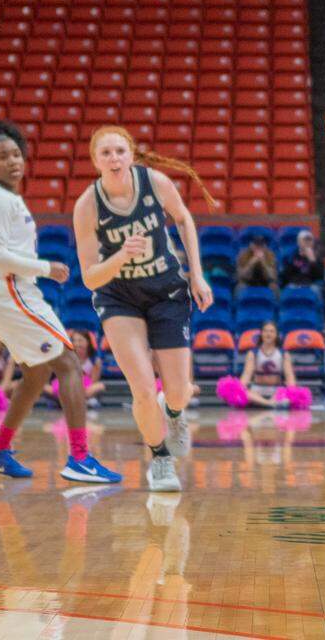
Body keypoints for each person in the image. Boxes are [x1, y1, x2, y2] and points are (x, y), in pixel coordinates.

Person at [71, 124, 215, 492]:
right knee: (142, 389)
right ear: (95, 161)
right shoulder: (88, 205)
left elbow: (183, 219)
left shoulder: (155, 182)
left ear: (131, 154)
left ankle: (176, 411)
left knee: (178, 390)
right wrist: (120, 255)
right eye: (106, 153)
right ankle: (161, 458)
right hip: (118, 296)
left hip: (166, 289)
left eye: (120, 151)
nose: (114, 158)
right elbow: (90, 278)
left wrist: (197, 275)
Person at [0, 120, 121, 483]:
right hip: (9, 290)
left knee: (38, 372)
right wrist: (45, 267)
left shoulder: (5, 196)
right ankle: (80, 458)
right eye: (3, 156)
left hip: (12, 292)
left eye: (16, 154)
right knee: (70, 363)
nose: (14, 161)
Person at [218, 321, 306, 408]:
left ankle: (266, 403)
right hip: (256, 391)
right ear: (261, 334)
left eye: (272, 331)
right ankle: (270, 404)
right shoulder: (253, 353)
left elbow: (289, 375)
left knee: (288, 396)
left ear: (276, 335)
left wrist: (292, 392)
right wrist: (239, 390)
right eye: (265, 331)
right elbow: (247, 374)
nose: (268, 334)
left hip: (276, 391)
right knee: (246, 393)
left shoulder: (284, 354)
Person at [279, 230, 325, 320]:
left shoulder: (317, 257)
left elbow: (320, 276)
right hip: (294, 284)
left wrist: (313, 261)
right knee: (286, 293)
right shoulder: (291, 256)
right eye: (305, 240)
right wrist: (293, 264)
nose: (307, 243)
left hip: (311, 284)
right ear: (299, 242)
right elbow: (285, 276)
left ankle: (320, 321)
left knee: (318, 293)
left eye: (309, 240)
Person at [44, 330, 106, 408]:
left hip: (84, 388)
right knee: (45, 387)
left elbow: (93, 382)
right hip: (65, 387)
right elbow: (62, 377)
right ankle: (78, 402)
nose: (77, 344)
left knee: (100, 386)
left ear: (88, 342)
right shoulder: (66, 358)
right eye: (74, 341)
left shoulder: (95, 361)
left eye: (80, 340)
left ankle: (69, 402)